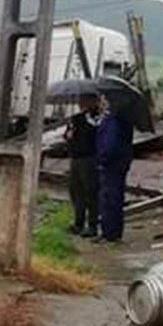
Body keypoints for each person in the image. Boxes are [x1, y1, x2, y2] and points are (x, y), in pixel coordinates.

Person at [95, 94, 134, 243]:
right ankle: (114, 232)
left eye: (104, 100)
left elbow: (109, 144)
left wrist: (102, 159)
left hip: (111, 165)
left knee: (109, 199)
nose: (102, 103)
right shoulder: (124, 120)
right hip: (120, 163)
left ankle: (109, 233)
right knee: (115, 198)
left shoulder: (113, 121)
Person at [64, 94, 101, 238]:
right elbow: (68, 134)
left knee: (91, 192)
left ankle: (92, 225)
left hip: (89, 158)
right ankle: (78, 223)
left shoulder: (96, 118)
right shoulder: (76, 118)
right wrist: (69, 135)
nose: (81, 103)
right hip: (76, 157)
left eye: (85, 100)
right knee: (76, 191)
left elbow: (94, 132)